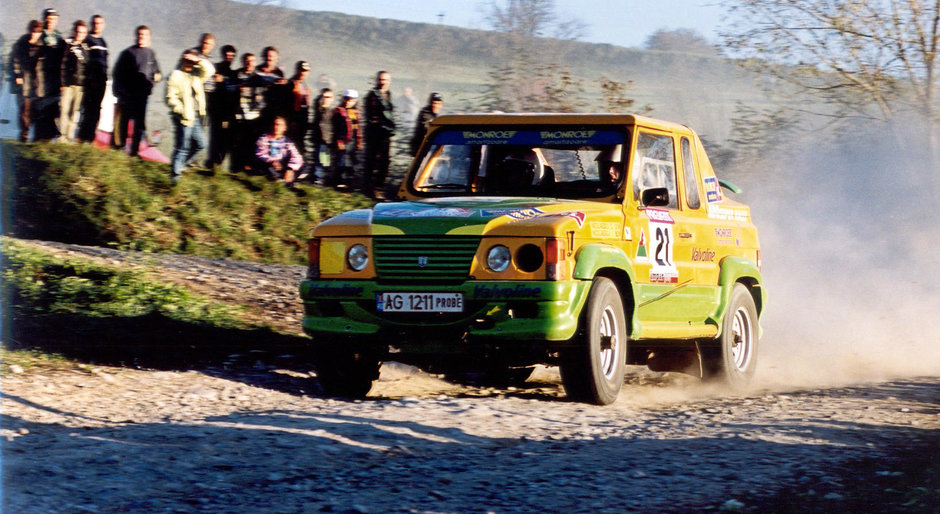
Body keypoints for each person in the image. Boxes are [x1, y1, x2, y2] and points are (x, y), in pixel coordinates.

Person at [112, 25, 161, 156]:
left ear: (149, 37)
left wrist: (155, 80)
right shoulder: (127, 53)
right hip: (128, 95)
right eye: (139, 34)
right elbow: (117, 73)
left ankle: (134, 152)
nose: (141, 37)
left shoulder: (151, 53)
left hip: (143, 95)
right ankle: (120, 149)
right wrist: (118, 91)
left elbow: (157, 72)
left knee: (139, 125)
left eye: (144, 35)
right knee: (124, 123)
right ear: (135, 36)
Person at [166, 48, 213, 183]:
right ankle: (174, 178)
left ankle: (179, 165)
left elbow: (210, 71)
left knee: (202, 144)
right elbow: (170, 98)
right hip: (183, 117)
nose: (189, 63)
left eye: (191, 61)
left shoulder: (197, 74)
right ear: (182, 59)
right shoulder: (175, 75)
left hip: (196, 117)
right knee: (182, 147)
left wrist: (198, 60)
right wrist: (182, 111)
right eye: (187, 60)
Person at [33, 7, 66, 141]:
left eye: (54, 18)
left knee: (52, 108)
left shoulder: (58, 37)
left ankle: (47, 138)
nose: (51, 21)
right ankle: (38, 137)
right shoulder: (39, 35)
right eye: (49, 18)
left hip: (55, 78)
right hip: (42, 77)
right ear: (45, 18)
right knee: (41, 108)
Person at [9, 20, 43, 142]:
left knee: (34, 108)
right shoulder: (21, 43)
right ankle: (24, 132)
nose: (35, 34)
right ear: (30, 31)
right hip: (23, 80)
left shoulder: (42, 45)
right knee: (24, 108)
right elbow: (15, 60)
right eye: (33, 31)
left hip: (37, 82)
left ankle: (31, 131)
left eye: (38, 32)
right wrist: (17, 74)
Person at [231, 52, 265, 173]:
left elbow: (261, 100)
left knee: (250, 144)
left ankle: (246, 170)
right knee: (236, 144)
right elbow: (226, 90)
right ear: (242, 62)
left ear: (255, 63)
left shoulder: (258, 79)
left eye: (252, 61)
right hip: (237, 115)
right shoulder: (235, 75)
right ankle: (234, 170)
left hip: (253, 117)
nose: (249, 63)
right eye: (247, 61)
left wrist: (252, 95)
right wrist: (236, 89)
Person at [205, 44, 238, 168]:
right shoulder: (216, 68)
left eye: (232, 55)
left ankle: (218, 161)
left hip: (228, 111)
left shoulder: (233, 73)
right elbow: (210, 85)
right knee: (215, 137)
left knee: (225, 138)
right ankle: (212, 162)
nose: (229, 57)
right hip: (215, 110)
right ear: (223, 55)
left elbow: (234, 91)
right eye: (227, 55)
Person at [77, 14, 108, 142]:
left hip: (102, 81)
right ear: (91, 24)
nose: (97, 25)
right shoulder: (87, 39)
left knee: (96, 109)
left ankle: (90, 138)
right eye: (95, 23)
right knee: (88, 110)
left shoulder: (103, 42)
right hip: (91, 81)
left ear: (104, 25)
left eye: (100, 23)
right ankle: (83, 137)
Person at [363, 70, 395, 198]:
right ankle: (369, 188)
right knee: (372, 160)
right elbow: (370, 115)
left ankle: (379, 187)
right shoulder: (371, 95)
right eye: (381, 79)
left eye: (385, 80)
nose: (383, 82)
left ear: (389, 81)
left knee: (385, 161)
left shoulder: (388, 94)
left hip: (385, 133)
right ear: (377, 80)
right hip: (374, 132)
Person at [59, 20, 89, 142]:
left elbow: (87, 66)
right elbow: (61, 64)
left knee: (74, 111)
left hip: (80, 86)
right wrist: (61, 83)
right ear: (73, 31)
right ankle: (61, 137)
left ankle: (69, 136)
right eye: (77, 31)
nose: (79, 34)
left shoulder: (85, 48)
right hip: (67, 84)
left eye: (82, 32)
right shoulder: (66, 45)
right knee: (64, 110)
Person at [254, 115, 303, 187]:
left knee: (302, 164)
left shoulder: (287, 142)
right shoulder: (264, 139)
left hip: (282, 165)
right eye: (274, 124)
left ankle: (287, 178)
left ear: (284, 128)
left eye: (279, 125)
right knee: (266, 166)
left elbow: (296, 156)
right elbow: (261, 153)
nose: (276, 127)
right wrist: (272, 161)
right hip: (270, 163)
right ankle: (284, 180)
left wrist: (290, 169)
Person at [329, 89, 361, 189]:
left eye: (351, 100)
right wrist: (338, 141)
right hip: (342, 140)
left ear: (355, 101)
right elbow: (335, 128)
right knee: (341, 161)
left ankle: (349, 181)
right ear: (343, 99)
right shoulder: (338, 112)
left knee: (351, 161)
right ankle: (339, 181)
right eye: (346, 99)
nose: (348, 102)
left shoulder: (355, 113)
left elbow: (357, 128)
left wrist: (359, 141)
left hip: (352, 141)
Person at [285, 61, 312, 165]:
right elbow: (286, 104)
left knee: (300, 143)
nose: (303, 73)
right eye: (301, 70)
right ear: (296, 70)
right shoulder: (290, 83)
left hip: (303, 119)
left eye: (305, 71)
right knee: (292, 143)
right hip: (293, 119)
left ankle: (298, 167)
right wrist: (291, 120)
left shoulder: (305, 85)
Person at [311, 87, 334, 184]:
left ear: (332, 99)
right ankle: (318, 178)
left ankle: (323, 177)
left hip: (328, 140)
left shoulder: (331, 111)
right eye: (324, 97)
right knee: (320, 159)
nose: (326, 99)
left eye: (328, 97)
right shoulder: (319, 109)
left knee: (326, 159)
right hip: (320, 139)